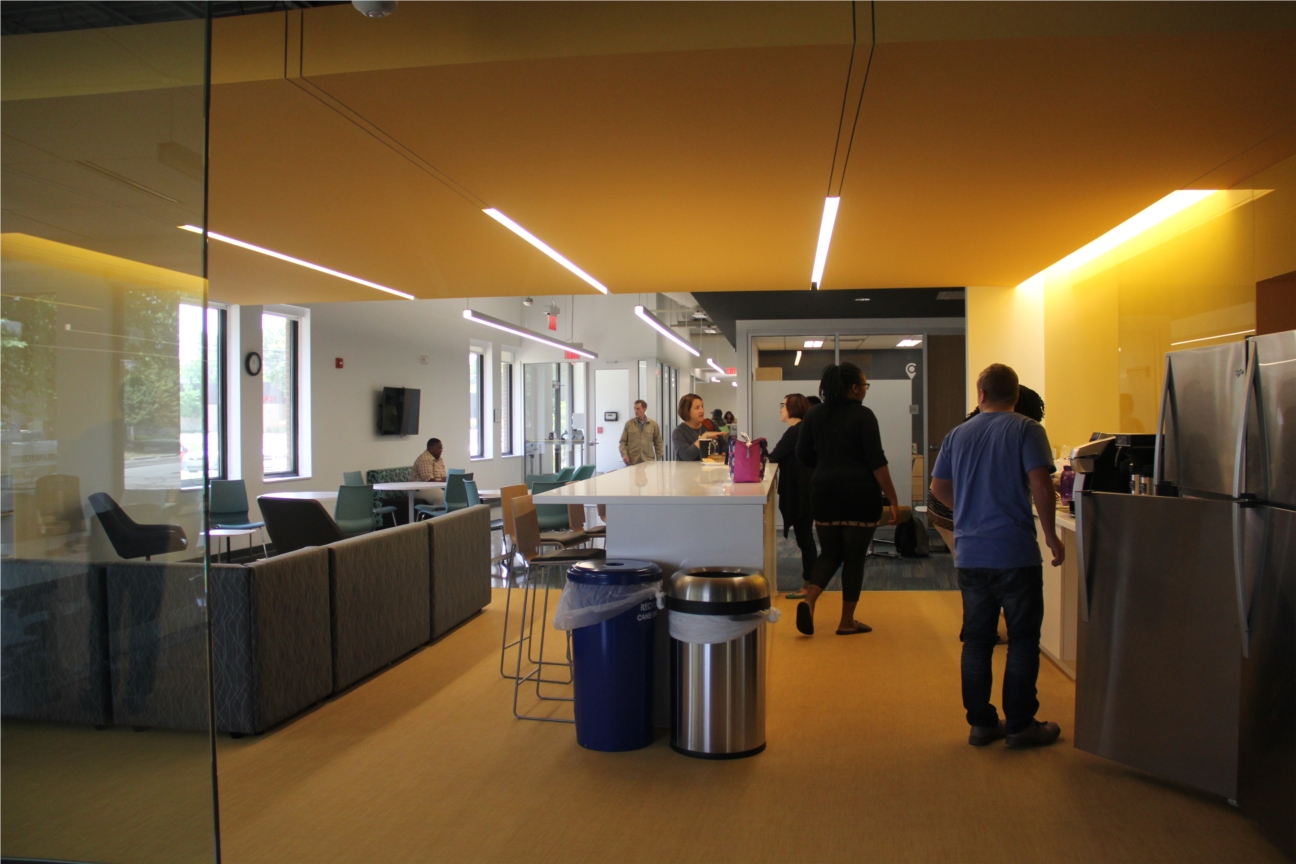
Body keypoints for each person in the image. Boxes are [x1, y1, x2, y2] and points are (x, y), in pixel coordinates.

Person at [930, 364, 1064, 749]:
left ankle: (981, 724)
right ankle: (1021, 724)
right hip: (1014, 552)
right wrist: (1051, 536)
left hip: (971, 555)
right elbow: (1041, 485)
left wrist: (969, 512)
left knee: (977, 640)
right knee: (1022, 639)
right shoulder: (1027, 429)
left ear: (981, 394)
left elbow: (939, 488)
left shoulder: (957, 434)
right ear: (1016, 395)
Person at [930, 385, 1046, 644]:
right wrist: (970, 509)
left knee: (971, 565)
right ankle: (977, 624)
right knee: (970, 565)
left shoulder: (973, 424)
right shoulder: (1018, 428)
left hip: (955, 500)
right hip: (950, 504)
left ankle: (979, 623)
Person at [795, 363, 901, 636]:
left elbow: (803, 454)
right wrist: (892, 498)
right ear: (854, 388)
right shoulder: (864, 415)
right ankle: (846, 622)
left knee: (829, 553)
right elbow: (877, 462)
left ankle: (809, 601)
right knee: (854, 558)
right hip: (859, 493)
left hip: (823, 492)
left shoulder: (814, 414)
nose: (865, 389)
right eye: (864, 385)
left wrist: (826, 465)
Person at [768, 394, 815, 599]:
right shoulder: (805, 430)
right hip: (808, 490)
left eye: (783, 405)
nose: (780, 409)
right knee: (806, 538)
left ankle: (809, 586)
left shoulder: (794, 432)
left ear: (792, 408)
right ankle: (810, 583)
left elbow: (773, 457)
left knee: (805, 539)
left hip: (800, 492)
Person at [672, 394, 725, 460]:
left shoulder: (709, 423)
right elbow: (686, 456)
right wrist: (704, 437)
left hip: (714, 468)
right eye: (697, 408)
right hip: (690, 470)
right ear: (687, 411)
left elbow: (723, 443)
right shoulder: (679, 432)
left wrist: (724, 452)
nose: (702, 411)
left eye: (702, 407)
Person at [619, 399, 663, 465]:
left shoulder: (653, 424)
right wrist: (624, 455)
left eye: (638, 409)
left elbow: (658, 443)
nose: (636, 411)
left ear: (644, 409)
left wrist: (659, 461)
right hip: (633, 461)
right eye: (635, 409)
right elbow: (622, 442)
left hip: (648, 462)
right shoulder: (629, 424)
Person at [411, 437, 447, 506]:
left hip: (435, 487)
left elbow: (443, 477)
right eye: (439, 448)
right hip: (420, 490)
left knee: (456, 494)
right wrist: (442, 483)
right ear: (431, 448)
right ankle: (439, 515)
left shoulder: (439, 459)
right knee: (441, 497)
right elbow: (429, 481)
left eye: (441, 448)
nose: (441, 450)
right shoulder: (425, 459)